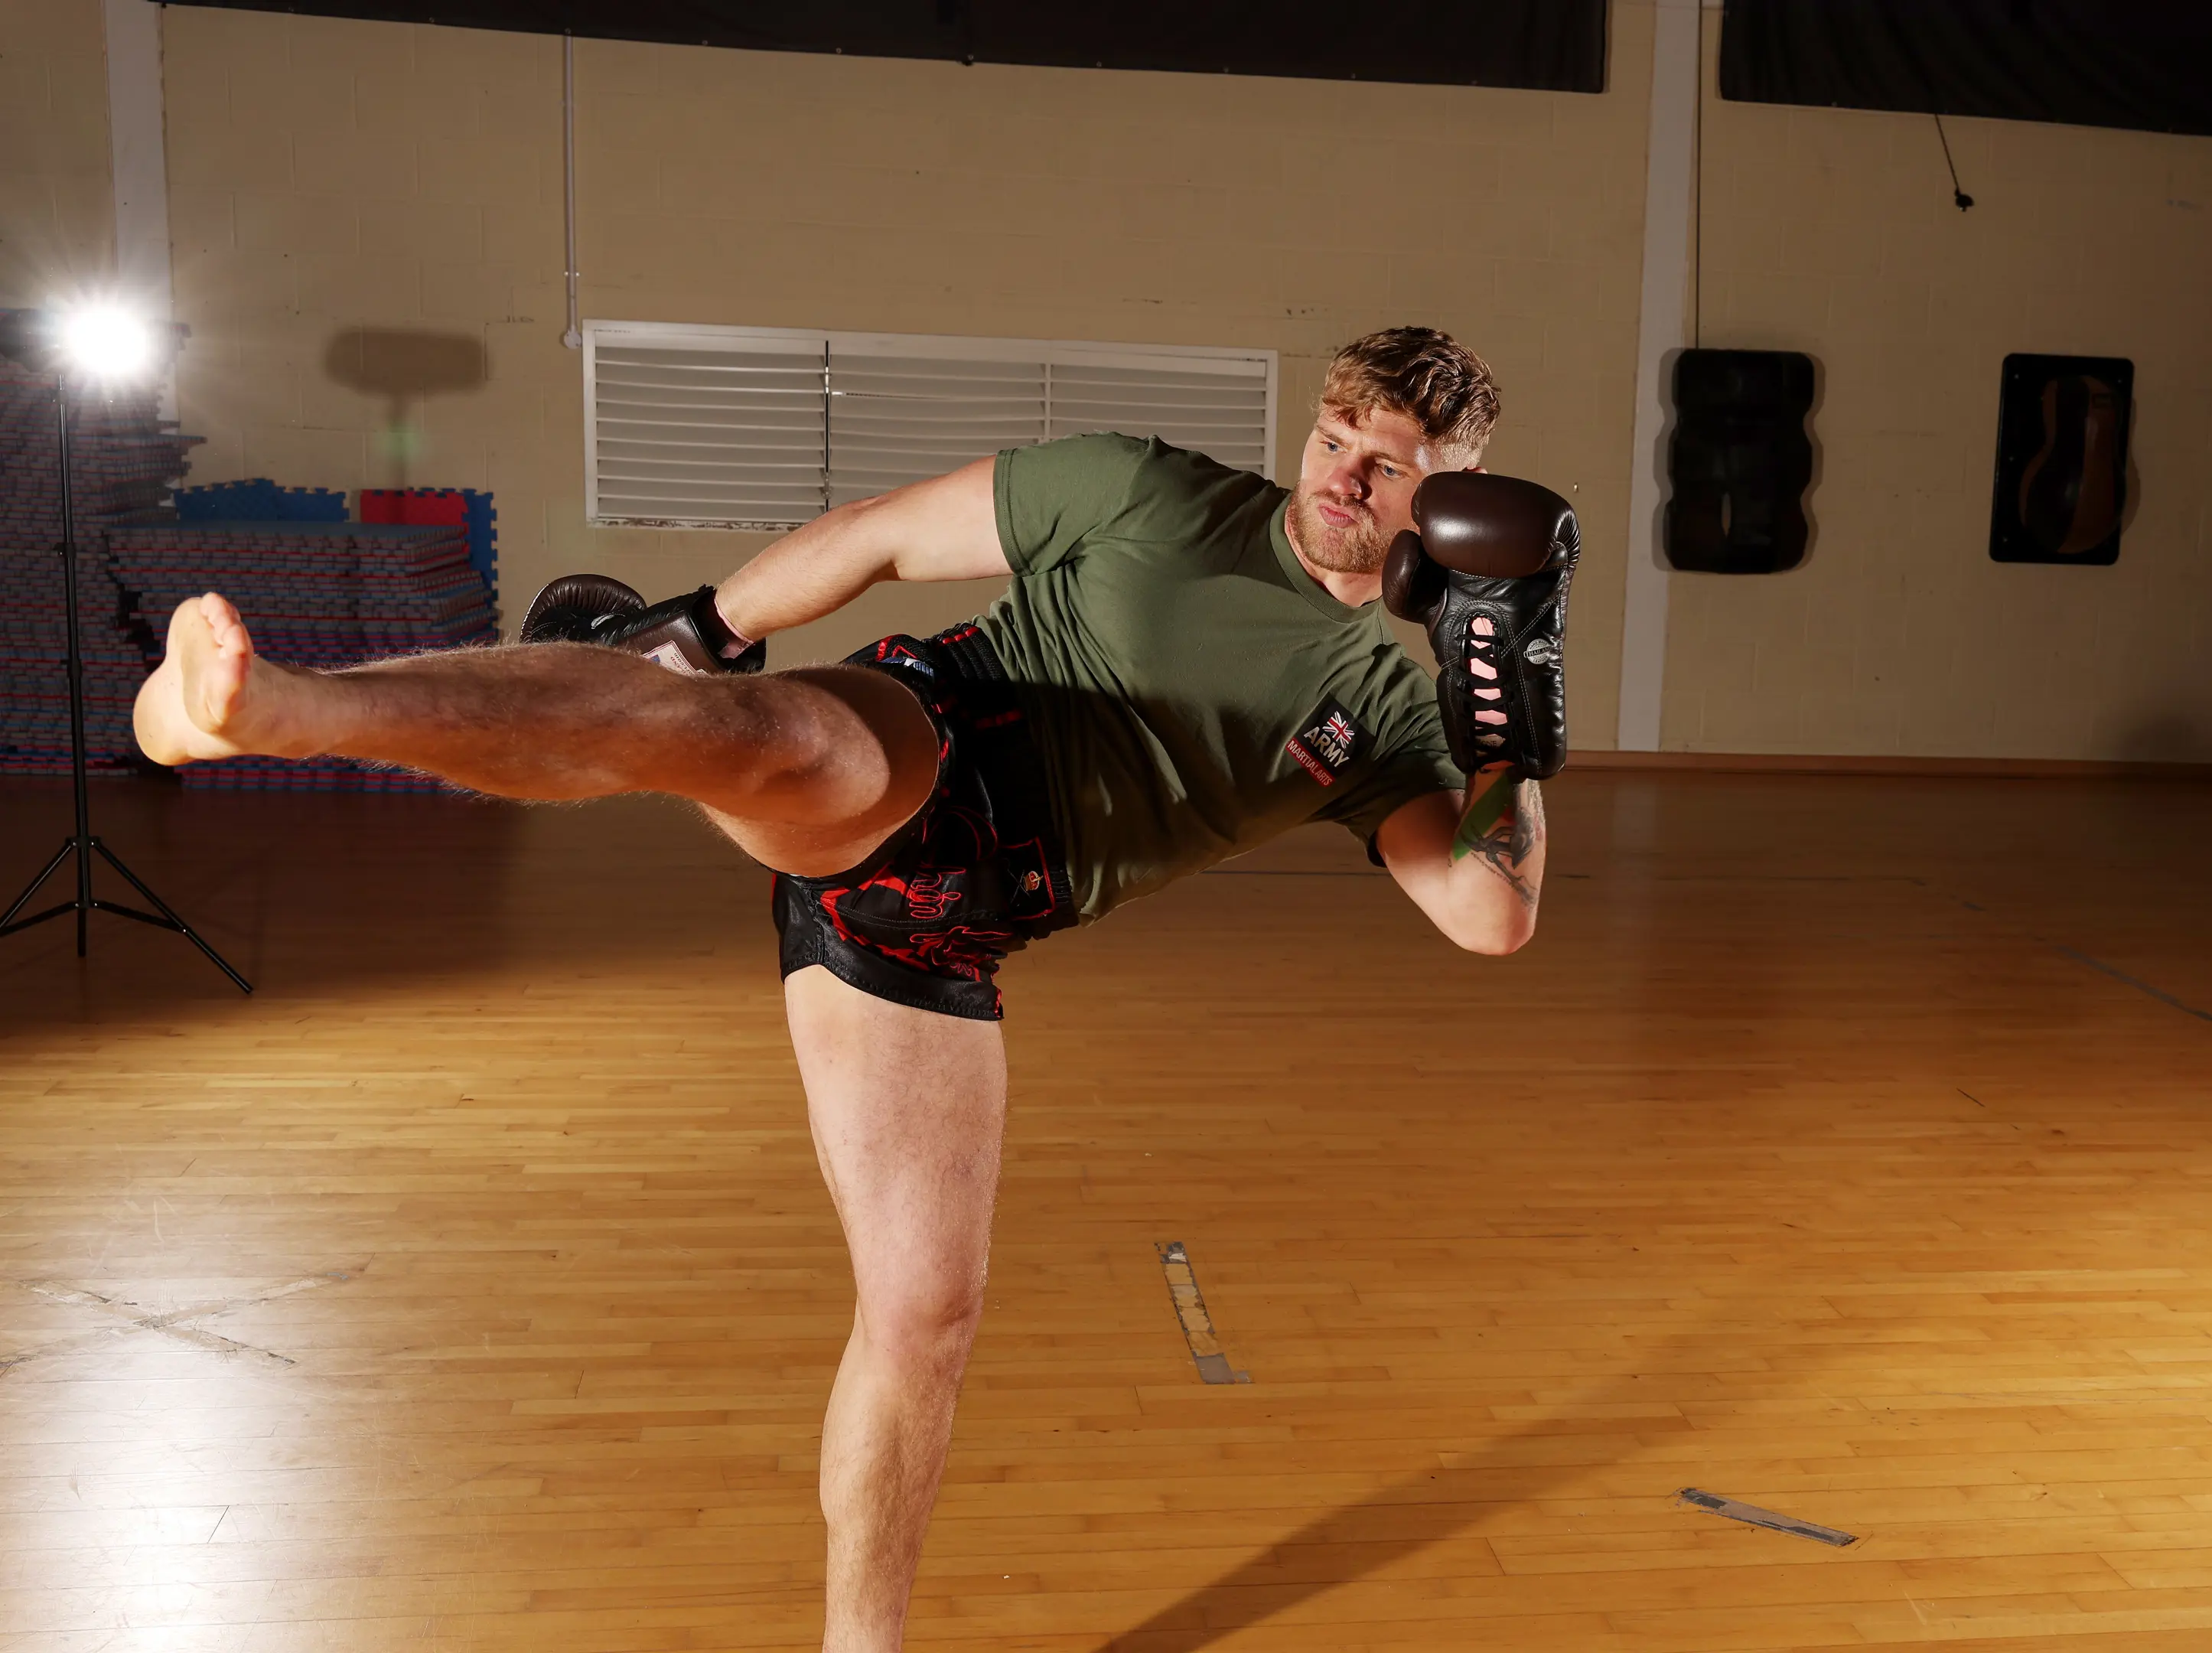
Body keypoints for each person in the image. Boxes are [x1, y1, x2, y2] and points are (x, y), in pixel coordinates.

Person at [129, 327, 1575, 1651]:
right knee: (753, 739)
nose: (1345, 478)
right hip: (935, 736)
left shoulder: (1392, 709)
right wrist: (696, 630)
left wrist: (1516, 729)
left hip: (948, 931)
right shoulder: (1150, 491)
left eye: (1391, 468)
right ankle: (287, 707)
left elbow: (1486, 917)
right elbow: (882, 536)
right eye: (1336, 438)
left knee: (927, 1313)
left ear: (1445, 508)